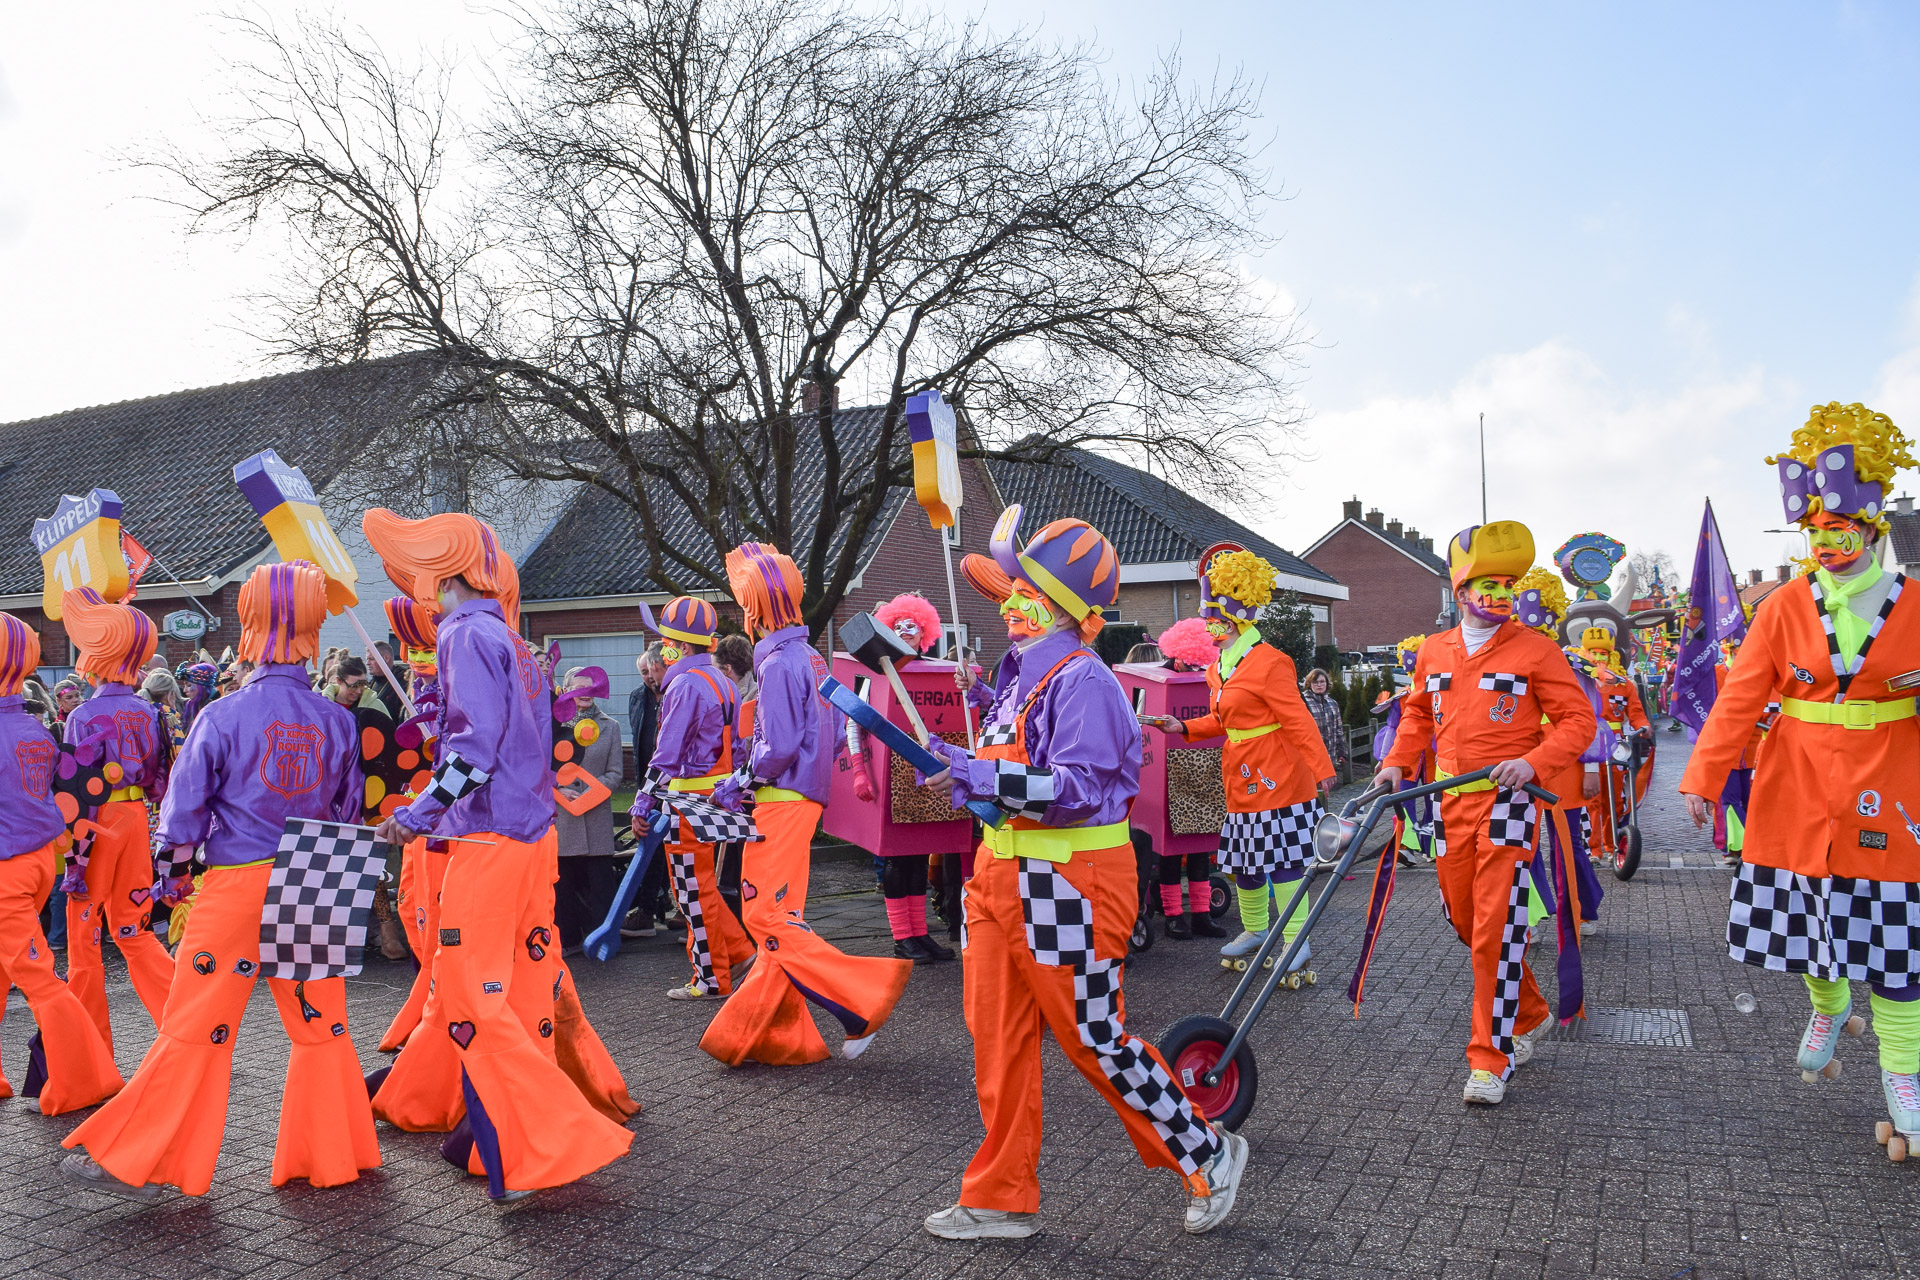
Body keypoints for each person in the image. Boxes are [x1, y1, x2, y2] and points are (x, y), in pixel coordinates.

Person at [922, 507, 1246, 1240]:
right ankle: (1001, 1196)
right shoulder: (1017, 676)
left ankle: (1207, 1150)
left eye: (1024, 592)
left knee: (1095, 1037)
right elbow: (1011, 775)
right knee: (997, 1041)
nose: (1008, 603)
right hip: (998, 878)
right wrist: (960, 765)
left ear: (1063, 606)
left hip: (1069, 882)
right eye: (1010, 591)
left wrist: (979, 773)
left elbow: (1077, 790)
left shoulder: (1085, 681)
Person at [59, 562, 382, 1200]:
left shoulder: (221, 714)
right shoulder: (339, 720)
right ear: (313, 627)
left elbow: (183, 813)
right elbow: (349, 813)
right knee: (322, 1023)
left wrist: (174, 877)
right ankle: (336, 1153)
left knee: (198, 1021)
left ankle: (143, 1158)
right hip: (316, 872)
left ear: (252, 623)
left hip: (239, 879)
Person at [362, 508, 632, 1206]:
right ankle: (494, 1140)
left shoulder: (463, 634)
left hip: (487, 838)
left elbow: (473, 750)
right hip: (531, 836)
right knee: (519, 989)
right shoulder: (511, 639)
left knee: (467, 995)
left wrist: (417, 815)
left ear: (439, 573)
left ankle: (545, 1138)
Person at [1678, 402, 1920, 1152]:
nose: (1826, 545)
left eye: (1839, 532)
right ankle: (1829, 1004)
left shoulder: (1915, 605)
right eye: (1814, 534)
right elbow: (1740, 698)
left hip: (1891, 780)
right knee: (1809, 925)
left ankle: (1903, 1071)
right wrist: (1703, 776)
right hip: (1798, 781)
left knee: (1898, 943)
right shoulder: (1783, 606)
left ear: (1872, 530)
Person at [1373, 520, 1596, 1106]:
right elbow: (1417, 714)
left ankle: (1490, 1060)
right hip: (1450, 801)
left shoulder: (1537, 649)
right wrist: (1397, 762)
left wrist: (1534, 762)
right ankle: (1530, 1011)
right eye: (1487, 584)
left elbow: (1578, 721)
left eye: (1507, 585)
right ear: (1461, 590)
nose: (1499, 595)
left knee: (1496, 929)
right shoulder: (1433, 650)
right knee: (1465, 920)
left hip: (1510, 803)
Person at [697, 542, 913, 1066]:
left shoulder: (777, 664)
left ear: (754, 609)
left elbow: (778, 744)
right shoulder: (812, 658)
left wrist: (740, 780)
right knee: (782, 916)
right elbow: (834, 731)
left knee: (765, 916)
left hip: (780, 799)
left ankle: (860, 1000)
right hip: (804, 798)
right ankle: (774, 1036)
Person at [1141, 547, 1336, 964]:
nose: (1206, 625)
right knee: (1245, 862)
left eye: (1211, 618)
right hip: (1239, 773)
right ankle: (1255, 930)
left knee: (1283, 862)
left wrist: (1322, 769)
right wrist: (1183, 727)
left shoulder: (1271, 662)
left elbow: (1298, 720)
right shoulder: (1219, 668)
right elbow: (1223, 718)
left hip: (1278, 774)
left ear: (1231, 621)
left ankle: (1295, 941)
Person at [0, 614, 121, 1114]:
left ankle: (82, 1078)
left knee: (39, 979)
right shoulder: (35, 727)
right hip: (37, 860)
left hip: (9, 867)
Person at [56, 588, 176, 1054]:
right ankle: (183, 1025)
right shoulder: (150, 711)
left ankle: (89, 1048)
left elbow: (73, 793)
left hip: (97, 820)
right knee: (134, 927)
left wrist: (72, 856)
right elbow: (163, 777)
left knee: (83, 931)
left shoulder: (83, 715)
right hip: (136, 817)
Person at [630, 597, 756, 999]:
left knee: (690, 892)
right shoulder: (724, 680)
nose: (661, 650)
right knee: (702, 886)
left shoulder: (684, 685)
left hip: (686, 799)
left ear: (682, 646)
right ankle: (739, 953)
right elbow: (739, 746)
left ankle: (710, 978)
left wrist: (642, 802)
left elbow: (666, 753)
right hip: (716, 797)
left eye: (666, 642)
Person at [847, 593, 957, 963]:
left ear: (926, 631)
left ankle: (919, 933)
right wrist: (859, 771)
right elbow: (853, 721)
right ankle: (901, 938)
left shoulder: (937, 673)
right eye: (898, 625)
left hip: (924, 779)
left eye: (913, 626)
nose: (906, 631)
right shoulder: (874, 673)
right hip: (889, 776)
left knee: (919, 857)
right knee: (896, 857)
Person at [379, 593, 447, 1053]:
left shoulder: (459, 690)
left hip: (449, 824)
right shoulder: (416, 695)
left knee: (438, 915)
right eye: (415, 651)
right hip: (418, 816)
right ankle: (427, 997)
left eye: (429, 650)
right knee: (410, 906)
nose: (421, 660)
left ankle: (438, 1009)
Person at [553, 666, 625, 950]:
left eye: (591, 688)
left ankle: (602, 940)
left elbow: (615, 773)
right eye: (579, 687)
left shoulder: (611, 726)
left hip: (596, 819)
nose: (586, 693)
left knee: (600, 886)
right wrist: (559, 792)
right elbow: (542, 770)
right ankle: (568, 940)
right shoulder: (552, 726)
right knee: (564, 886)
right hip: (563, 819)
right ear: (566, 690)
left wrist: (589, 795)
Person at [622, 647, 672, 938]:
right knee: (650, 847)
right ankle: (647, 909)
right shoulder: (637, 698)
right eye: (643, 673)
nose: (649, 678)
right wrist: (642, 790)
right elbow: (639, 742)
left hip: (672, 783)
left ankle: (672, 905)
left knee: (675, 847)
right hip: (648, 783)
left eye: (651, 671)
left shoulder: (675, 692)